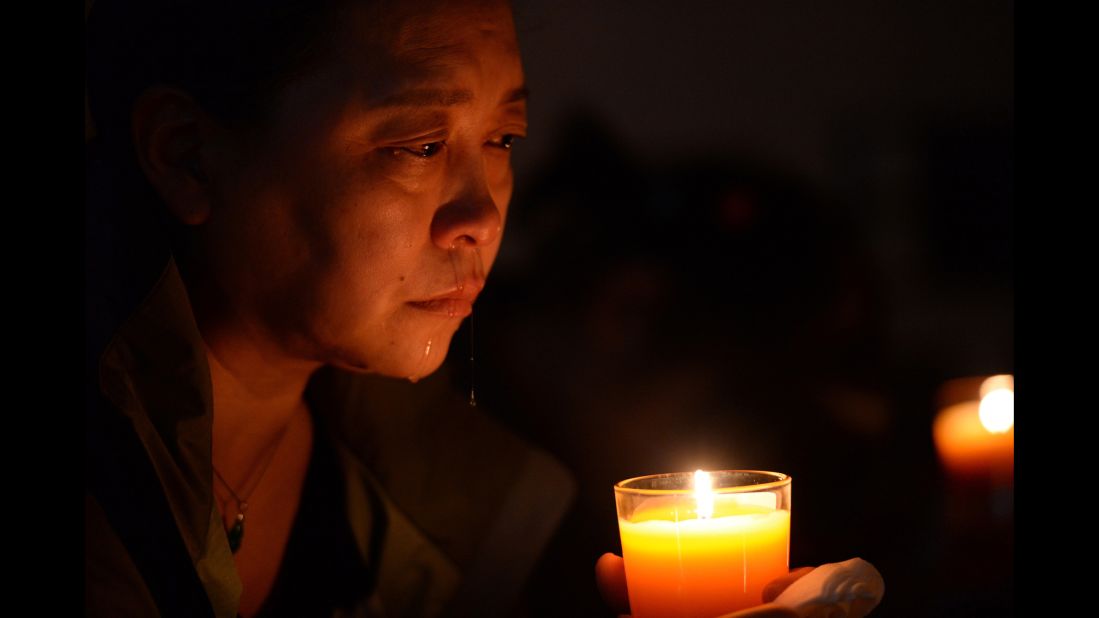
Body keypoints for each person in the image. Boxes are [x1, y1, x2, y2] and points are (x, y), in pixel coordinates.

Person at [85, 0, 881, 615]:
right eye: (418, 145)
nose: (483, 216)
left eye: (501, 139)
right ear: (188, 157)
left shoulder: (450, 505)